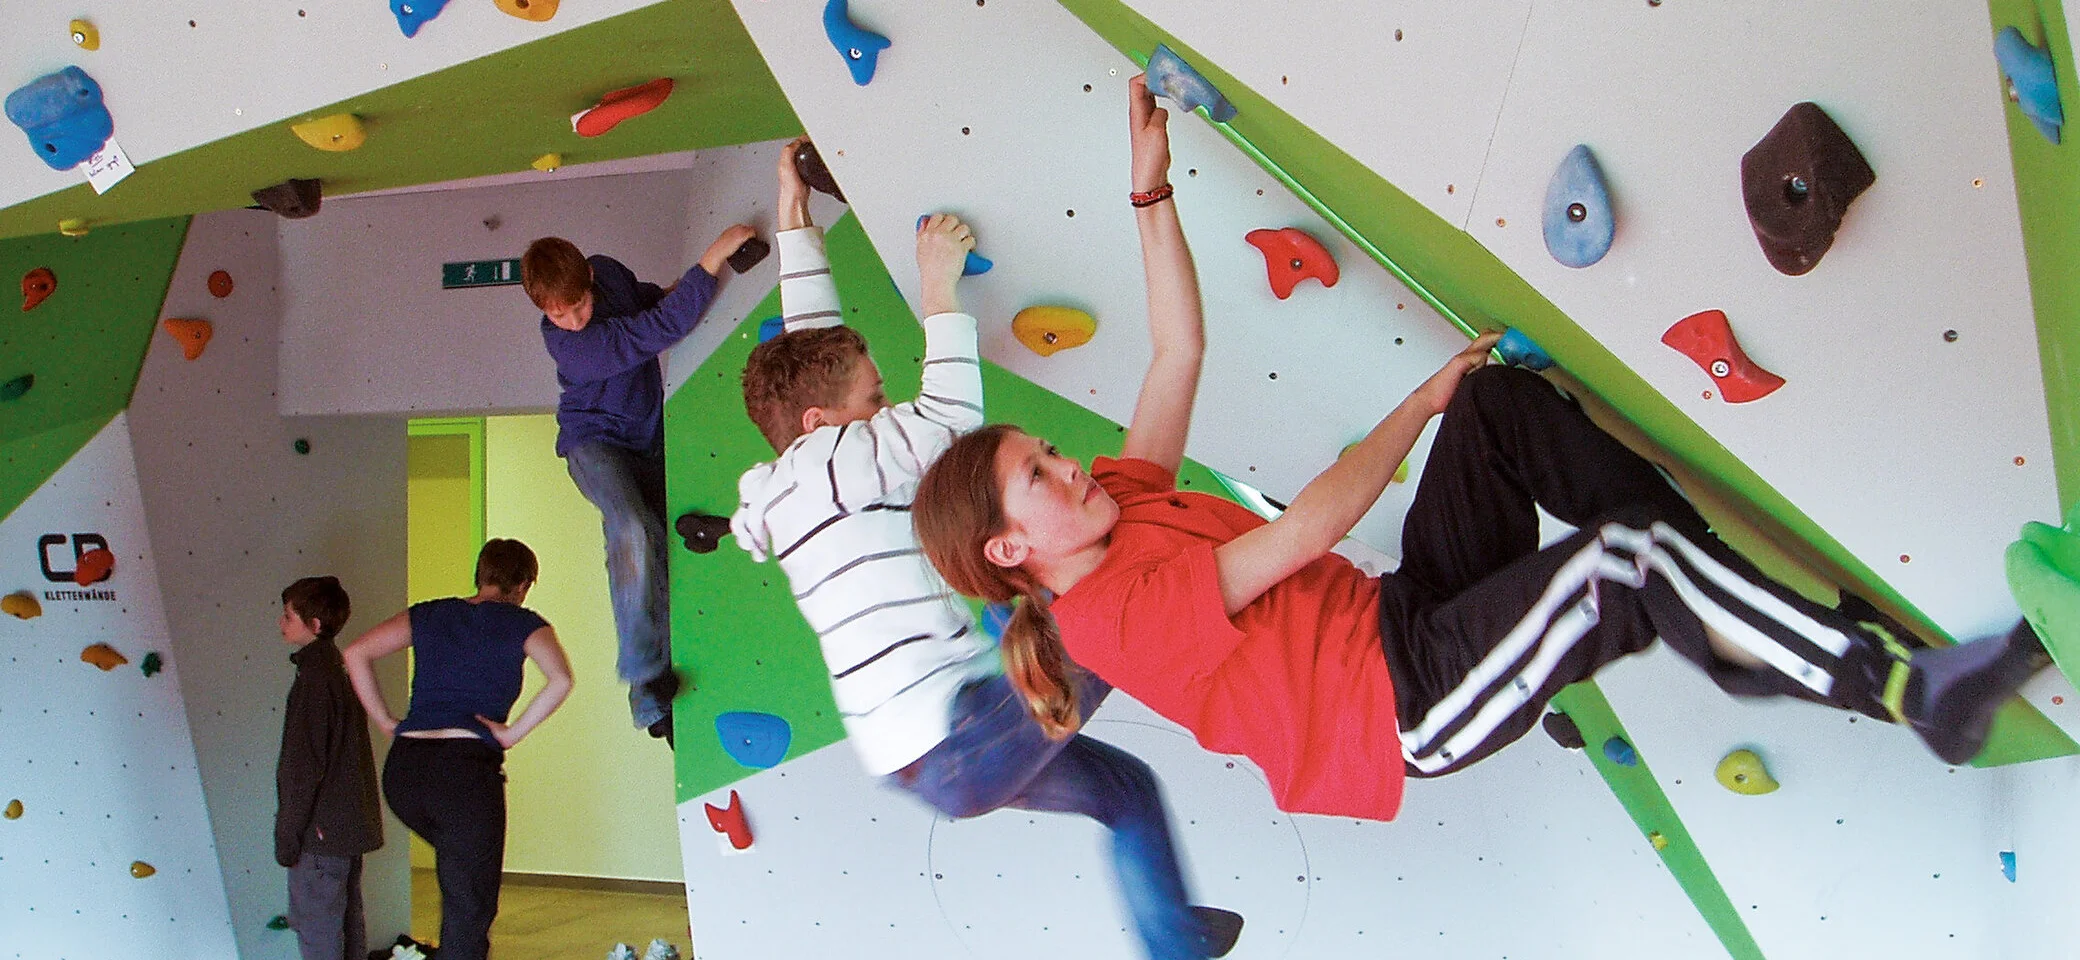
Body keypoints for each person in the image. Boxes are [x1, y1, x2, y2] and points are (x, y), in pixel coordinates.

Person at [911, 75, 2049, 825]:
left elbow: (1176, 353)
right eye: (1041, 479)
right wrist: (1415, 399)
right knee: (1618, 568)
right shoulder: (1108, 617)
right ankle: (1906, 691)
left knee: (1498, 409)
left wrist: (1147, 180)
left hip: (1401, 616)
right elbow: (1310, 528)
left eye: (1050, 451)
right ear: (1013, 550)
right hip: (1404, 705)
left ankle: (1729, 597)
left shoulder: (1115, 502)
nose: (1072, 467)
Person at [727, 136, 1240, 960]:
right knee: (1109, 614)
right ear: (825, 428)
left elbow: (810, 351)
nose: (884, 406)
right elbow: (951, 424)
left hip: (931, 754)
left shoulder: (798, 477)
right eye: (875, 398)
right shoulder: (832, 461)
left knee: (1126, 789)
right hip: (960, 731)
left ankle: (1172, 936)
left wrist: (797, 211)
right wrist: (938, 281)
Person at [523, 222, 757, 743]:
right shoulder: (570, 346)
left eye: (579, 306)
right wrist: (715, 253)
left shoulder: (607, 271)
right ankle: (641, 668)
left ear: (589, 277)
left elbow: (652, 304)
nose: (573, 321)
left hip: (646, 439)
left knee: (660, 551)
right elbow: (662, 329)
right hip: (594, 443)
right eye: (557, 314)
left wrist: (705, 277)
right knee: (629, 527)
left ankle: (655, 704)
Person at [342, 539, 574, 960]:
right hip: (464, 775)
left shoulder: (431, 613)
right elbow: (560, 680)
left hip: (404, 774)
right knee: (469, 903)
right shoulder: (524, 623)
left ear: (481, 575)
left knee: (460, 872)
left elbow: (356, 653)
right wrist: (510, 733)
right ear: (523, 584)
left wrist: (385, 721)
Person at [274, 576, 383, 960]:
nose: (281, 622)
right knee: (348, 924)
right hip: (346, 829)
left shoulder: (314, 681)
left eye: (289, 615)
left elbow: (302, 768)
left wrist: (287, 836)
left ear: (315, 625)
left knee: (318, 928)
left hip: (319, 834)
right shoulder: (339, 671)